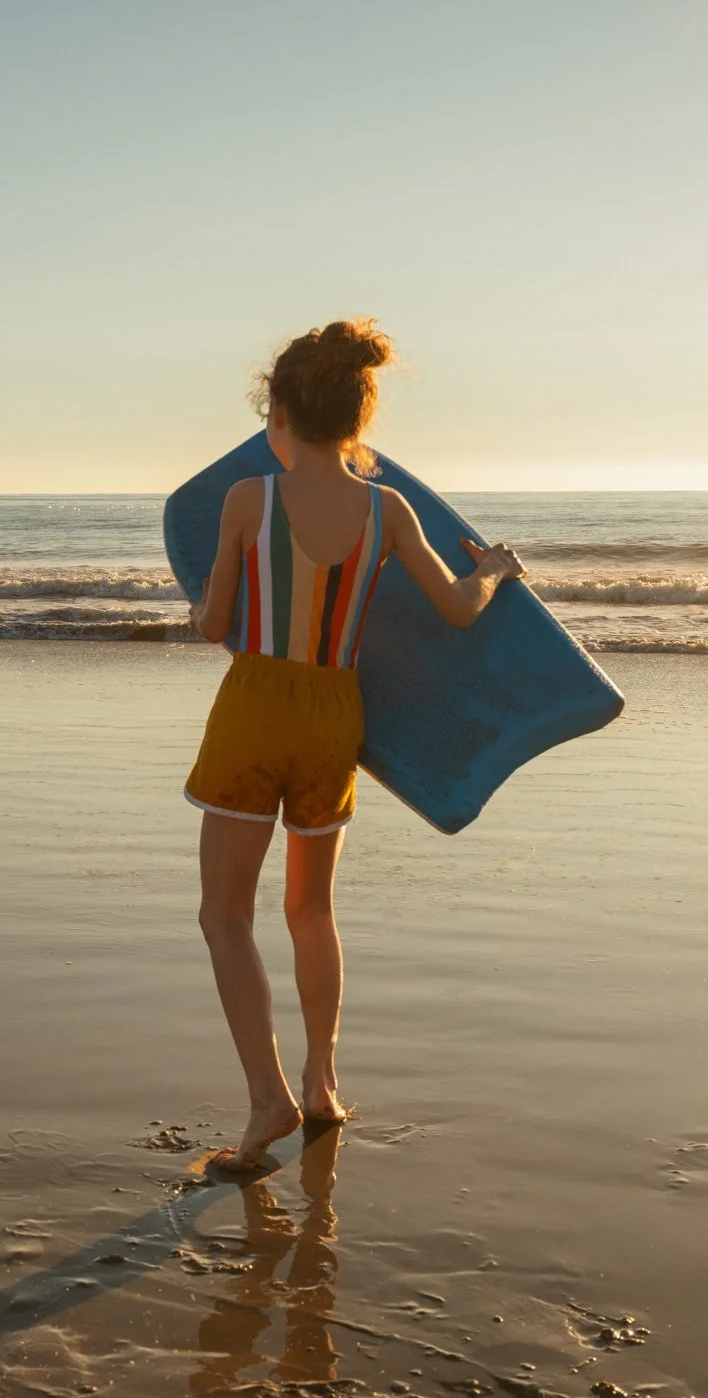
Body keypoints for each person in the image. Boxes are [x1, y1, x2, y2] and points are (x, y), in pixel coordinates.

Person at [185, 320, 526, 1170]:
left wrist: (197, 612)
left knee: (225, 915)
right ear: (357, 419)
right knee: (312, 910)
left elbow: (216, 625)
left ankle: (266, 1101)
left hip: (255, 707)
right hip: (337, 716)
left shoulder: (246, 501)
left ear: (281, 412)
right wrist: (495, 570)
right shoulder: (388, 509)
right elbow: (455, 607)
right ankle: (322, 1084)